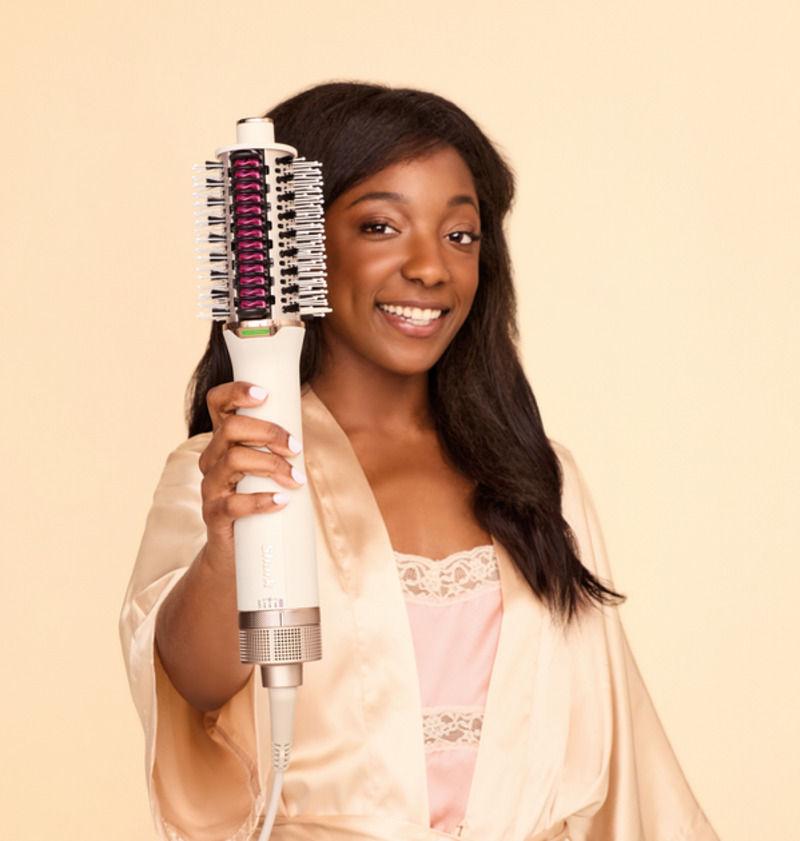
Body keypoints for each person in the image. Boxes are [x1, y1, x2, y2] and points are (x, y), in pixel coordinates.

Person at [119, 81, 719, 841]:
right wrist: (227, 549)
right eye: (381, 226)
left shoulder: (539, 479)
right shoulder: (228, 475)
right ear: (296, 244)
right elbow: (193, 687)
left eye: (460, 235)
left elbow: (629, 768)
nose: (431, 267)